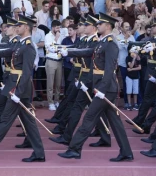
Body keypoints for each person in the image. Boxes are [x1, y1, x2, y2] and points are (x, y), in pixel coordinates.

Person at [57, 12, 133, 162]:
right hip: (101, 87)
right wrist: (68, 51)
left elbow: (110, 69)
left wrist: (102, 89)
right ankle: (126, 152)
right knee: (115, 122)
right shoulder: (102, 41)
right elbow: (88, 54)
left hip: (106, 89)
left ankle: (74, 149)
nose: (97, 26)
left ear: (108, 26)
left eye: (100, 24)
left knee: (89, 117)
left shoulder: (111, 43)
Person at [0, 15, 45, 162]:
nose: (16, 27)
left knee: (5, 120)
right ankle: (39, 153)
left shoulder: (29, 46)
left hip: (18, 88)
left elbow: (26, 73)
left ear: (26, 27)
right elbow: (4, 51)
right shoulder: (20, 43)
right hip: (14, 86)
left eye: (19, 25)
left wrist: (18, 93)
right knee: (29, 122)